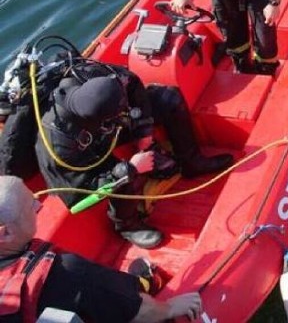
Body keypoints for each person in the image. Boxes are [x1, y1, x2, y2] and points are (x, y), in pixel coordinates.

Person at [34, 65, 233, 249]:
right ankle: (127, 226)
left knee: (168, 99)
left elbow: (134, 84)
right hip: (88, 153)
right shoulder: (58, 146)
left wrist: (143, 129)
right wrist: (131, 168)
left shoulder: (93, 73)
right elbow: (79, 198)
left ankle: (192, 161)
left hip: (107, 130)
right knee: (122, 174)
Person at [0, 175, 202, 322]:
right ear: (5, 233)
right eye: (31, 206)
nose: (38, 206)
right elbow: (139, 311)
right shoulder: (67, 273)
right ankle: (143, 282)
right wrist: (169, 308)